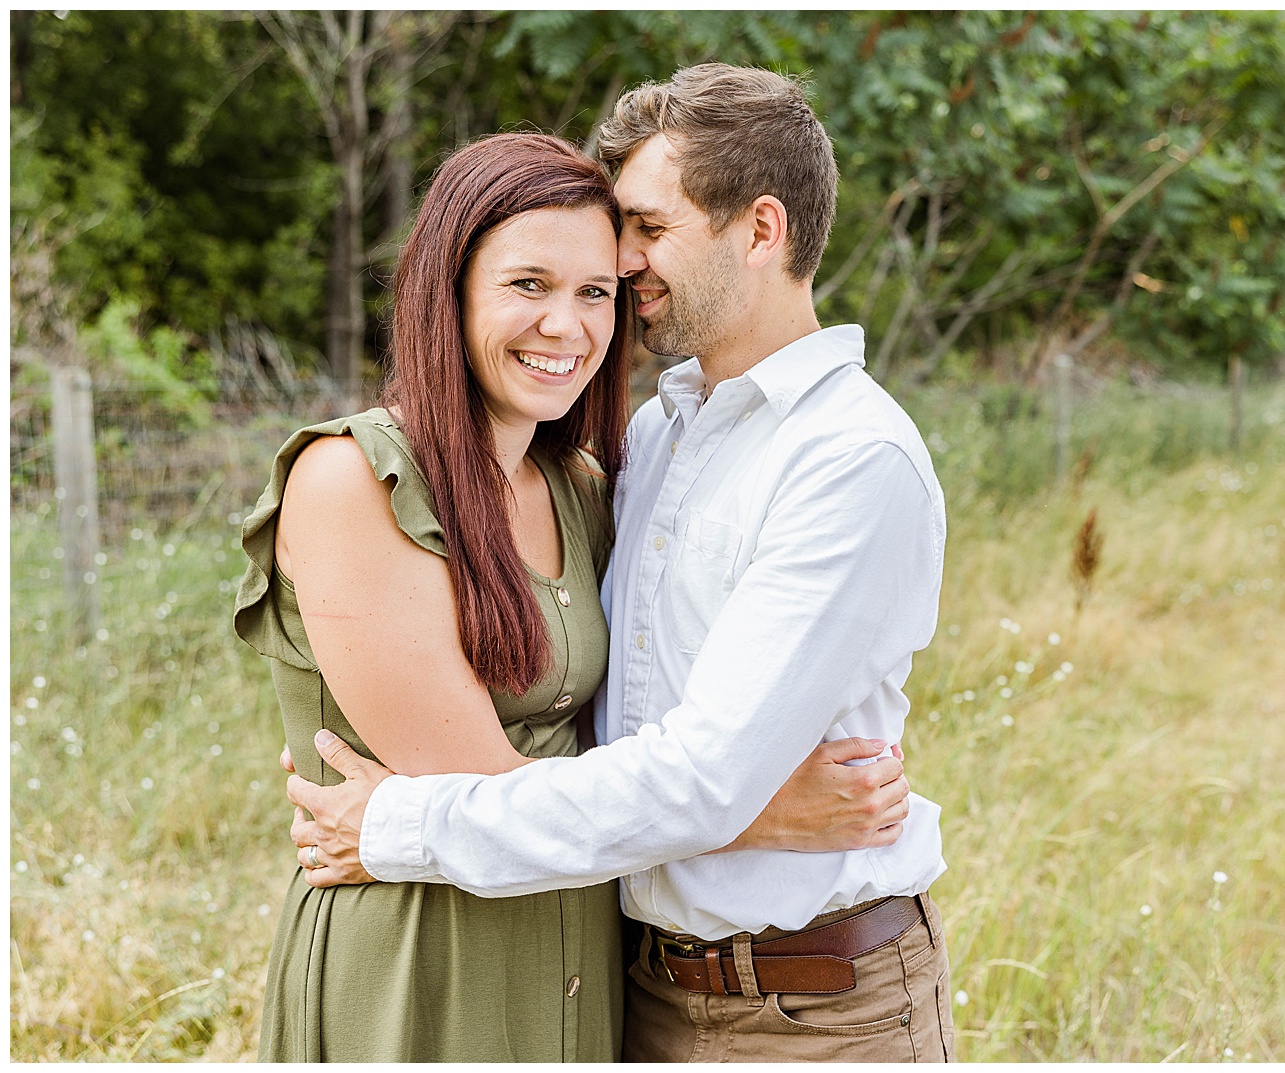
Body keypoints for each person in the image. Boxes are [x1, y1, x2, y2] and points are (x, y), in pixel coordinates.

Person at [288, 63, 956, 1063]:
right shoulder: (653, 438)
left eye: (646, 231)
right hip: (635, 986)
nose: (625, 262)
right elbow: (634, 736)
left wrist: (392, 825)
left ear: (761, 229)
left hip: (806, 1005)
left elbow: (700, 777)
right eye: (538, 279)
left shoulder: (848, 457)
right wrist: (758, 814)